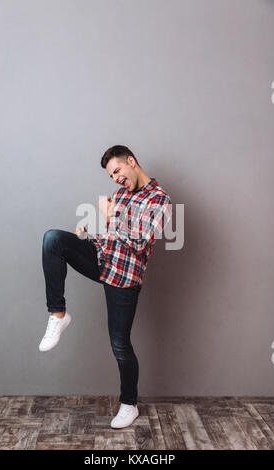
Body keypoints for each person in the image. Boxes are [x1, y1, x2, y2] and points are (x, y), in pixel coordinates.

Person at [39, 145, 172, 428]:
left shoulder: (159, 200)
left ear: (132, 162)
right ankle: (58, 315)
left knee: (120, 344)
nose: (116, 179)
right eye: (111, 176)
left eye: (117, 171)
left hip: (124, 278)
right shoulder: (122, 195)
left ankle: (129, 404)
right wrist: (88, 236)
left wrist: (111, 215)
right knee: (53, 240)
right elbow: (114, 238)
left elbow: (138, 243)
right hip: (103, 260)